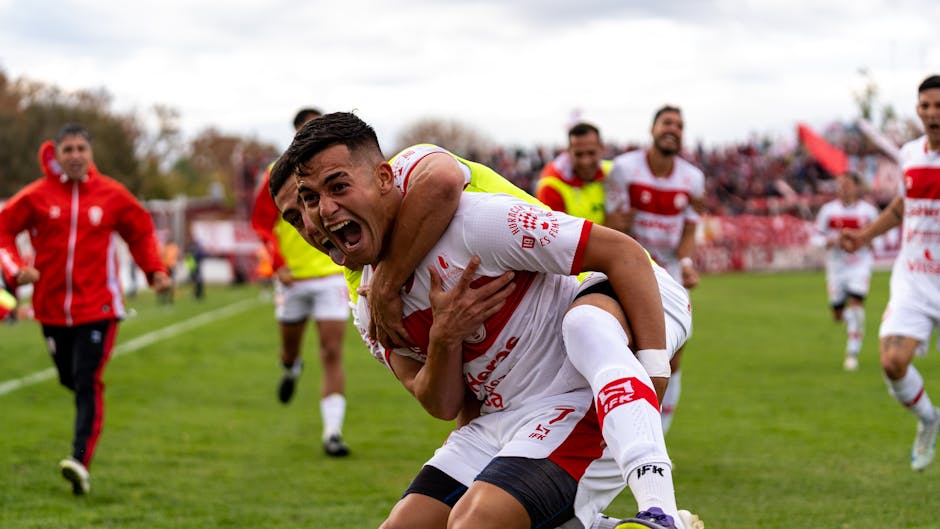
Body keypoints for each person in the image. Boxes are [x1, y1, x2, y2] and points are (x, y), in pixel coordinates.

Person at [272, 112, 697, 529]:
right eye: (302, 208)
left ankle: (659, 514)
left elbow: (621, 254)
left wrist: (652, 376)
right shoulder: (365, 302)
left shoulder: (465, 219)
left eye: (338, 187)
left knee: (585, 328)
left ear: (385, 178)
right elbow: (441, 403)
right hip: (509, 408)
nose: (317, 217)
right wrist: (444, 337)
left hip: (591, 349)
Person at [0, 124, 172, 495]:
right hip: (49, 309)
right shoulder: (37, 195)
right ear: (57, 154)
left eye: (81, 148)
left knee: (86, 380)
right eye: (68, 149)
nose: (75, 155)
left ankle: (80, 461)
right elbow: (3, 229)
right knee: (69, 377)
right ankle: (80, 450)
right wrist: (16, 270)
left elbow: (140, 229)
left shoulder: (111, 194)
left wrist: (153, 270)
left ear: (90, 154)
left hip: (99, 307)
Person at [841, 74, 940, 471]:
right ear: (918, 110)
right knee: (892, 363)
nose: (933, 114)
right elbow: (904, 206)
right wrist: (864, 236)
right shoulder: (910, 154)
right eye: (926, 106)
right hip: (915, 277)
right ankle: (929, 420)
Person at [251, 107, 351, 457]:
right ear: (294, 135)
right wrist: (277, 264)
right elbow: (261, 223)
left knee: (331, 351)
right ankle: (291, 369)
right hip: (292, 280)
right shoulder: (275, 176)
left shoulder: (337, 170)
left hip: (330, 276)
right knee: (289, 349)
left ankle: (332, 433)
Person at [604, 105, 705, 435]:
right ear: (652, 128)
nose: (673, 129)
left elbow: (689, 229)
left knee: (672, 359)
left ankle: (657, 436)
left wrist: (688, 263)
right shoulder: (624, 169)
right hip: (630, 270)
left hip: (672, 273)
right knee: (627, 352)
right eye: (667, 122)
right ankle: (614, 431)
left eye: (679, 124)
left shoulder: (693, 178)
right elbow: (611, 221)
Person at [811, 172, 879, 371]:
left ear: (857, 187)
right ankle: (851, 322)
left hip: (860, 264)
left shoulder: (868, 212)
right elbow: (815, 237)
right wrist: (829, 241)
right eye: (840, 185)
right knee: (838, 314)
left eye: (848, 185)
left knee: (857, 304)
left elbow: (880, 236)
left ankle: (852, 354)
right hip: (836, 267)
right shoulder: (828, 211)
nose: (844, 188)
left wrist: (868, 241)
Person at [536, 122, 612, 224]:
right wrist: (609, 227)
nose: (586, 161)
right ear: (568, 151)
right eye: (578, 154)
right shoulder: (551, 186)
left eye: (591, 153)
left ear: (602, 148)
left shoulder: (612, 171)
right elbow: (556, 236)